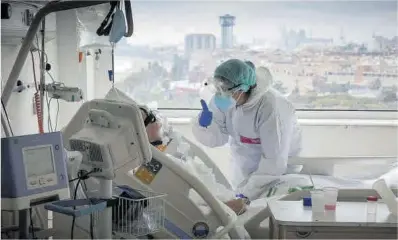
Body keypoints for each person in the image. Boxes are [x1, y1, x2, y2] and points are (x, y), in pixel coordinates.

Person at [192, 59, 302, 202]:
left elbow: (274, 161)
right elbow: (218, 139)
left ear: (242, 88)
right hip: (243, 175)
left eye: (225, 90)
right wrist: (203, 125)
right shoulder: (225, 98)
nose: (220, 94)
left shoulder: (272, 107)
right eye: (218, 88)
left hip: (277, 180)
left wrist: (247, 194)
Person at [139, 106, 248, 215]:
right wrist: (226, 205)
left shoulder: (158, 160)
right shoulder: (164, 165)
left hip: (219, 201)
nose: (159, 124)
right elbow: (194, 196)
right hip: (216, 209)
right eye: (153, 119)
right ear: (141, 130)